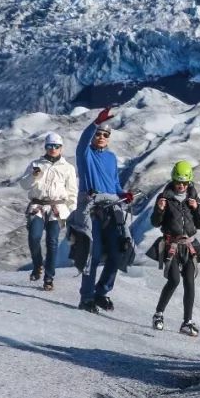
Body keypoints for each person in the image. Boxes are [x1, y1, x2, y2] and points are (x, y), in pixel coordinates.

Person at [73, 107, 134, 313]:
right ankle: (87, 297)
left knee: (118, 252)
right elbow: (82, 142)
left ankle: (102, 292)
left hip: (111, 209)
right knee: (94, 253)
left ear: (109, 138)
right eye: (98, 134)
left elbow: (114, 185)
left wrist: (123, 194)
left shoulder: (111, 158)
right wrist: (94, 124)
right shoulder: (85, 155)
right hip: (91, 209)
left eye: (104, 135)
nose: (100, 137)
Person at [147, 161, 200, 337]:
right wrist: (159, 210)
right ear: (173, 180)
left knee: (190, 282)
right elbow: (155, 222)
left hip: (189, 246)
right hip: (171, 244)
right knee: (173, 280)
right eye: (178, 182)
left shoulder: (194, 198)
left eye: (184, 182)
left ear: (189, 182)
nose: (181, 186)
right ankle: (158, 314)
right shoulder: (164, 198)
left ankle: (187, 322)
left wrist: (197, 209)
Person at [19, 131, 78, 291]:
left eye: (56, 146)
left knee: (52, 242)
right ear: (45, 147)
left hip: (57, 208)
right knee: (34, 237)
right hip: (37, 206)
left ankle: (49, 278)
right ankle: (38, 265)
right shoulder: (35, 164)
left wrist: (72, 212)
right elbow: (24, 185)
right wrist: (33, 176)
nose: (53, 149)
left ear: (61, 148)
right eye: (50, 146)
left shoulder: (68, 168)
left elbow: (72, 191)